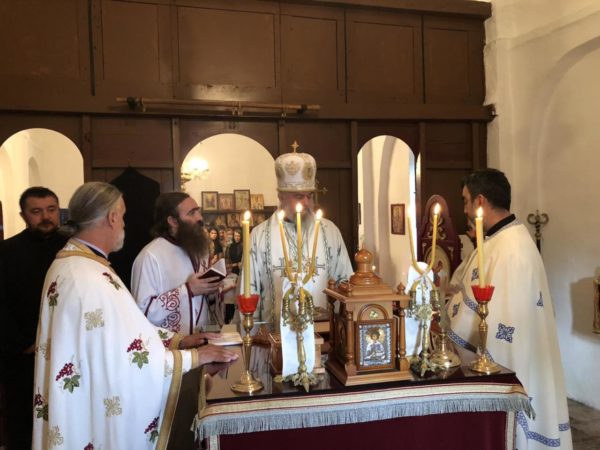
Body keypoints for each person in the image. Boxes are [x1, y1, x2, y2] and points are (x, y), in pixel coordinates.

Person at [32, 182, 237, 450]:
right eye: (123, 216)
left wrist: (181, 341)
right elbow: (126, 357)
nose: (124, 224)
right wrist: (195, 357)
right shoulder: (87, 278)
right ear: (112, 217)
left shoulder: (79, 265)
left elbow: (124, 329)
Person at [447, 169, 572, 450]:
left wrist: (445, 323)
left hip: (513, 360)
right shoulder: (506, 239)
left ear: (480, 201)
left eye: (465, 201)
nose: (464, 209)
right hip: (524, 355)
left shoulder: (508, 247)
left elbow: (485, 315)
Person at [243, 146, 353, 324]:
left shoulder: (330, 231)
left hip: (324, 335)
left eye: (310, 196)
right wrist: (251, 336)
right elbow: (249, 290)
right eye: (299, 196)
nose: (307, 203)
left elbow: (346, 283)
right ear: (281, 196)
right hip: (274, 336)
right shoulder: (259, 236)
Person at [0, 187, 67, 450]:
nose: (46, 217)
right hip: (23, 354)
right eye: (36, 211)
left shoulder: (72, 249)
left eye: (51, 209)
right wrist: (23, 343)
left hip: (65, 350)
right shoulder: (6, 251)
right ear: (24, 215)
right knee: (22, 421)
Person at [132, 192, 223, 334]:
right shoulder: (150, 256)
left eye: (198, 211)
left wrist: (212, 289)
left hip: (204, 340)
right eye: (192, 213)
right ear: (173, 221)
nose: (199, 217)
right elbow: (142, 313)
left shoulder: (200, 249)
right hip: (171, 346)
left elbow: (204, 303)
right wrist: (188, 290)